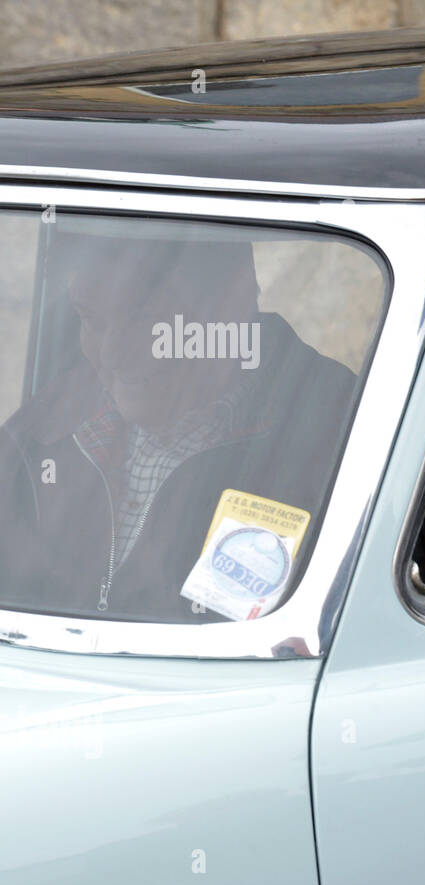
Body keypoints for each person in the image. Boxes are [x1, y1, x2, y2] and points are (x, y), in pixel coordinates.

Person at [0, 231, 356, 622]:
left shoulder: (342, 436)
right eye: (91, 319)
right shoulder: (46, 426)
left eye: (144, 320)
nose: (111, 352)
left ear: (228, 307)